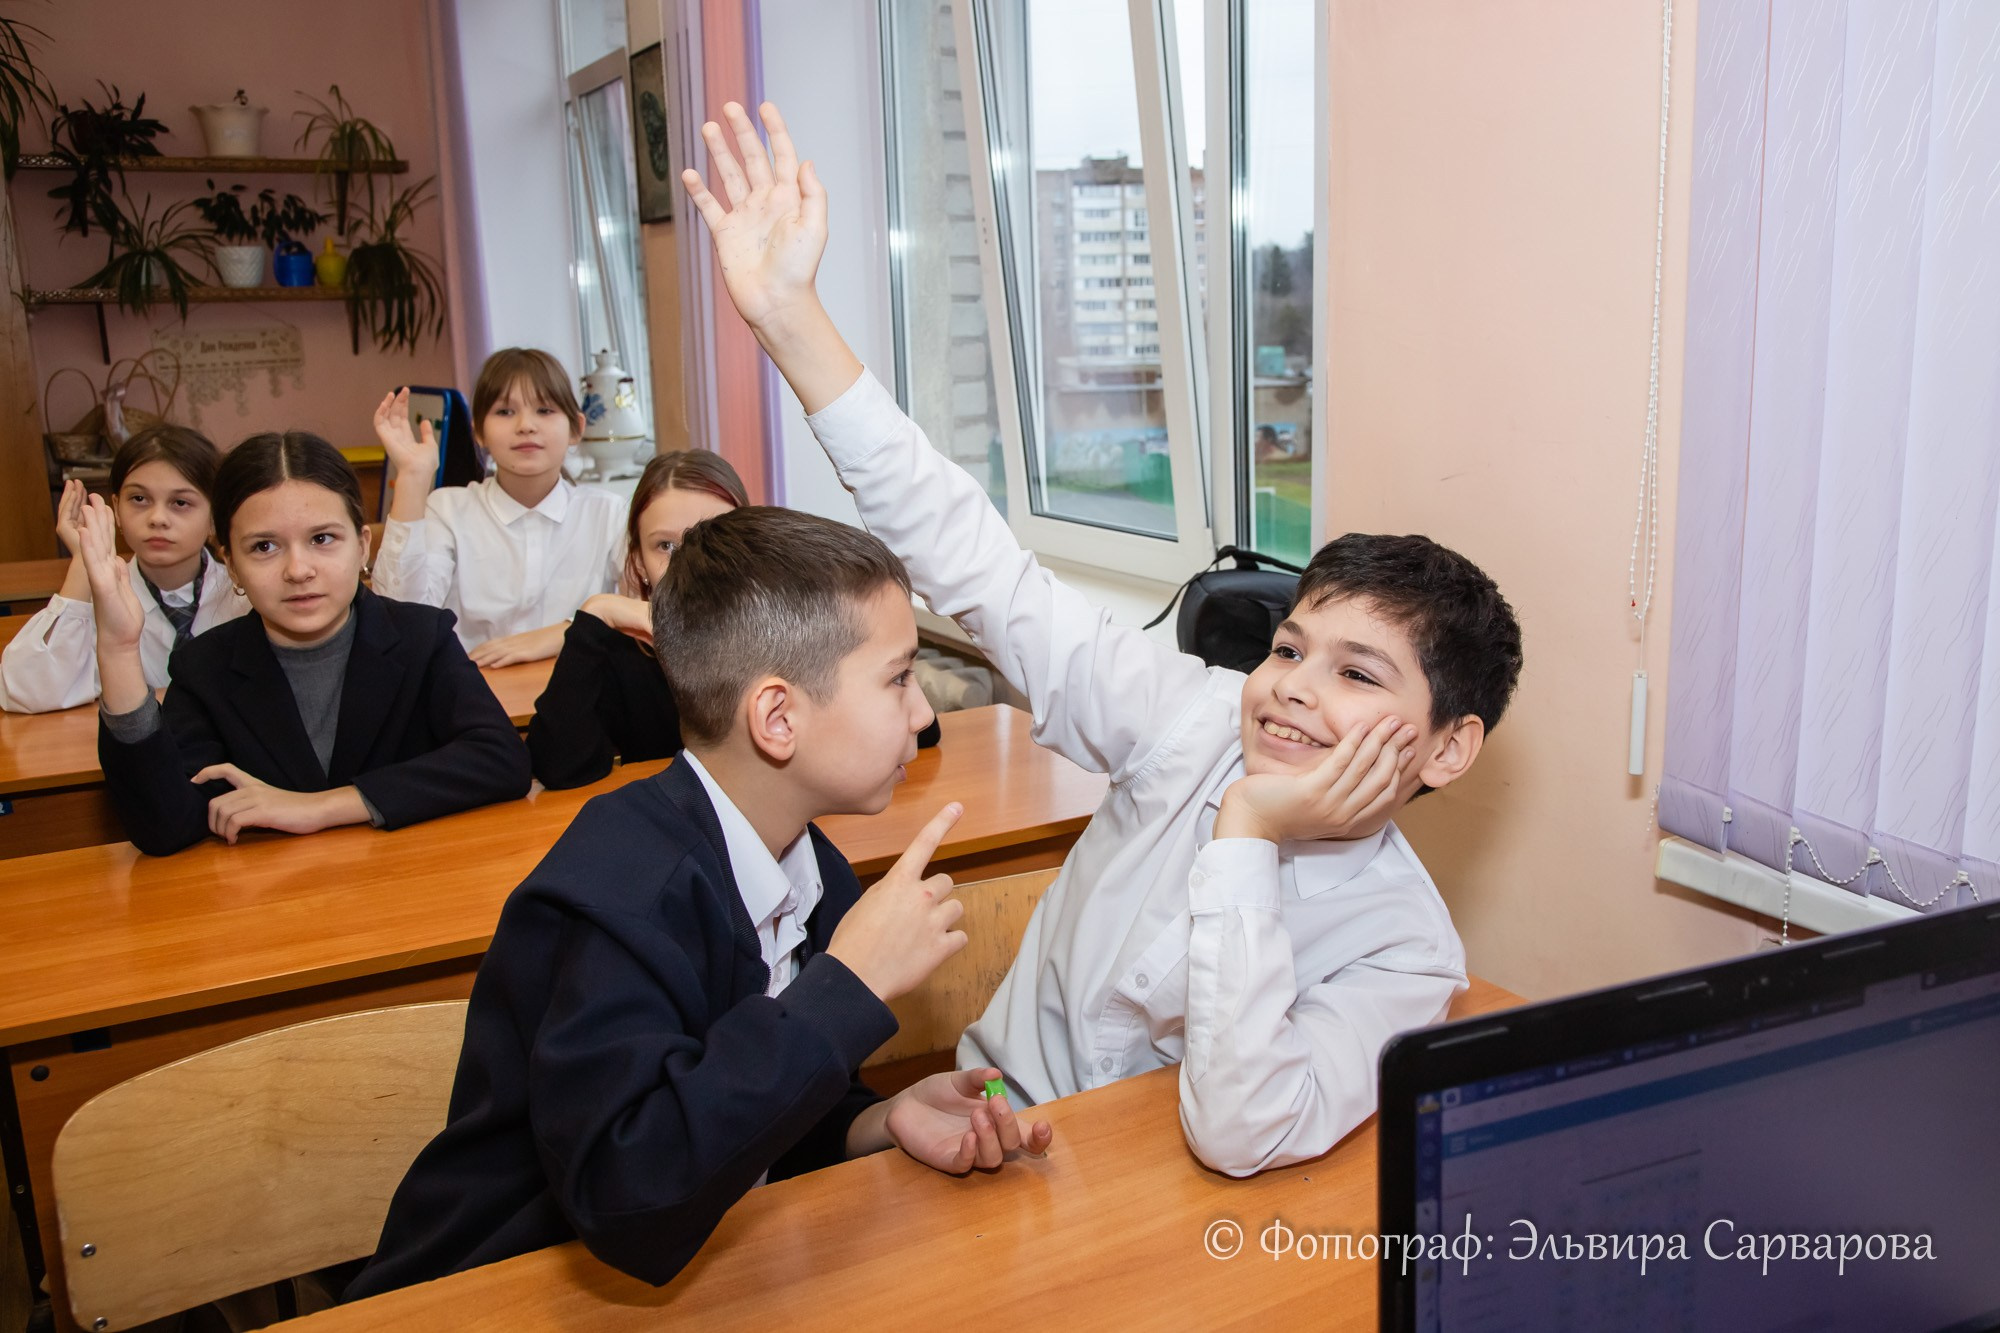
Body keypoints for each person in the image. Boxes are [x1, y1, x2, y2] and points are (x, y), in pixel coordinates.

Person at [681, 101, 1525, 1177]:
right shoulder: (1189, 716)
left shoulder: (1405, 948)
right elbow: (974, 558)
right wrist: (790, 319)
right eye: (1287, 648)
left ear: (1447, 747)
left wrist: (1246, 834)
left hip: (1152, 1204)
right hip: (968, 1142)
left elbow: (1240, 1131)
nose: (1286, 690)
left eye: (1355, 672)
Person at [348, 505, 1053, 1299]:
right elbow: (629, 1194)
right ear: (778, 717)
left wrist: (876, 1121)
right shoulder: (621, 895)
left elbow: (747, 1102)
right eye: (898, 678)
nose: (924, 712)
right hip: (489, 1285)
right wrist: (844, 988)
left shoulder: (814, 870)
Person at [87, 431, 532, 857]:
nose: (298, 570)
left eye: (322, 539)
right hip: (280, 910)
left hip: (407, 892)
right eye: (264, 547)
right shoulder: (204, 668)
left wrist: (320, 807)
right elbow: (163, 827)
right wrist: (118, 650)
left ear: (361, 547)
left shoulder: (421, 637)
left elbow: (501, 760)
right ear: (232, 566)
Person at [528, 448, 941, 789]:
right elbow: (561, 768)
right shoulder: (618, 652)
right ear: (637, 562)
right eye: (665, 545)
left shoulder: (785, 631)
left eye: (712, 536)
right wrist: (596, 615)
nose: (688, 562)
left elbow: (923, 732)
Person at [369, 348, 625, 666]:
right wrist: (412, 476)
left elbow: (655, 610)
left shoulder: (609, 514)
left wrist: (566, 632)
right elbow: (399, 618)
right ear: (479, 431)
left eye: (545, 410)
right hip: (477, 697)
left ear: (576, 428)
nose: (526, 425)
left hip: (584, 700)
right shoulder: (448, 510)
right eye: (505, 412)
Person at [2, 428, 247, 712]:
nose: (157, 519)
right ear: (116, 509)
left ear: (216, 515)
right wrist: (86, 558)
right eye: (139, 499)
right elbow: (27, 692)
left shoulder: (244, 596)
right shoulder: (97, 601)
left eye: (180, 503)